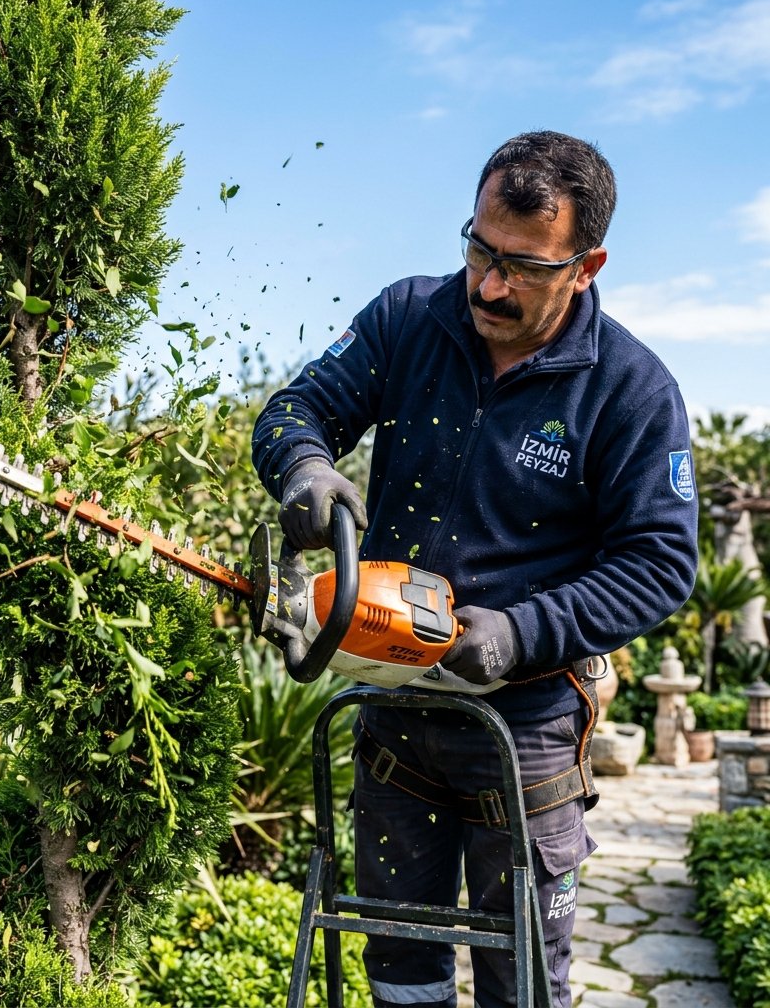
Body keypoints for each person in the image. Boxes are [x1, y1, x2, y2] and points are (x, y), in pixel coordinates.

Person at [251, 130, 699, 1008]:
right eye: (479, 250)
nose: (489, 286)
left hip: (525, 737)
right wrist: (303, 464)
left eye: (523, 267)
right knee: (400, 972)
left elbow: (660, 561)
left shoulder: (631, 390)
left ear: (586, 263)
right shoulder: (411, 318)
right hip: (394, 716)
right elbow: (298, 405)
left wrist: (524, 632)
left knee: (522, 981)